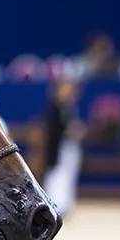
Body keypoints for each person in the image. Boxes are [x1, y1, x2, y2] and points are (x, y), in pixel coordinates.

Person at [42, 79, 84, 216]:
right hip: (57, 148)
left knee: (69, 176)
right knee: (56, 175)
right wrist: (68, 130)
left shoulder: (70, 106)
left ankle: (65, 204)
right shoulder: (55, 106)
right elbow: (53, 128)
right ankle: (53, 204)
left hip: (70, 147)